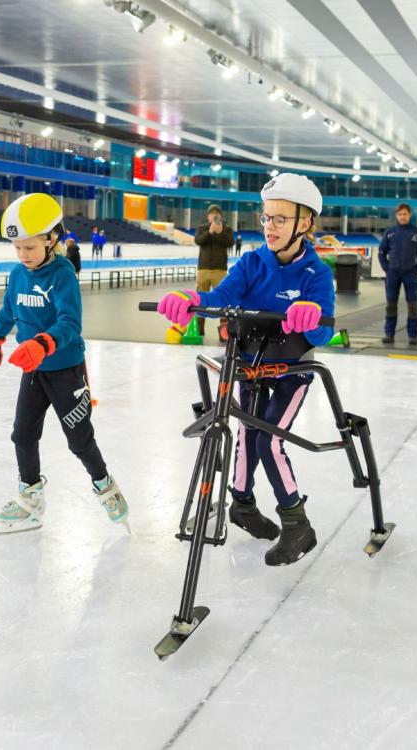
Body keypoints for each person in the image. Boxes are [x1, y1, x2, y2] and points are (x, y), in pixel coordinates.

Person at [155, 173, 335, 566]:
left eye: (280, 220)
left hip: (292, 369)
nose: (269, 227)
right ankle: (242, 504)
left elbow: (322, 331)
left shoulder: (316, 274)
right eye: (266, 218)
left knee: (268, 439)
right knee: (246, 430)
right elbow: (221, 297)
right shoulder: (252, 262)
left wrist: (313, 314)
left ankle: (296, 522)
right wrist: (192, 299)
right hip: (251, 363)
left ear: (304, 223)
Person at [0, 193, 129, 535]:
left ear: (51, 238)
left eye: (29, 247)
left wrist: (42, 343)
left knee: (79, 440)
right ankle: (30, 498)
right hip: (33, 371)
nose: (22, 255)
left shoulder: (63, 275)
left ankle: (104, 484)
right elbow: (8, 311)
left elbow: (69, 323)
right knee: (22, 435)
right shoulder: (18, 275)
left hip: (65, 370)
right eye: (17, 248)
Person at [377, 203, 417, 345]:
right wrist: (387, 269)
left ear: (409, 215)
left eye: (405, 214)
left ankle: (413, 335)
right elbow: (381, 253)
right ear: (396, 216)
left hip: (410, 274)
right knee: (391, 305)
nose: (402, 217)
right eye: (400, 214)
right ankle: (389, 334)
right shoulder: (390, 232)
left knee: (413, 305)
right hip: (392, 274)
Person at [184, 203, 232, 341]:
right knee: (200, 301)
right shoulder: (202, 229)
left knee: (223, 301)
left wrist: (220, 232)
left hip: (220, 270)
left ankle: (224, 334)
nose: (214, 215)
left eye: (217, 213)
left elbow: (229, 242)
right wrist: (210, 232)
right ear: (208, 216)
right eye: (212, 213)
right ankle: (199, 332)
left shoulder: (226, 230)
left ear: (220, 216)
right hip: (204, 269)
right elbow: (199, 240)